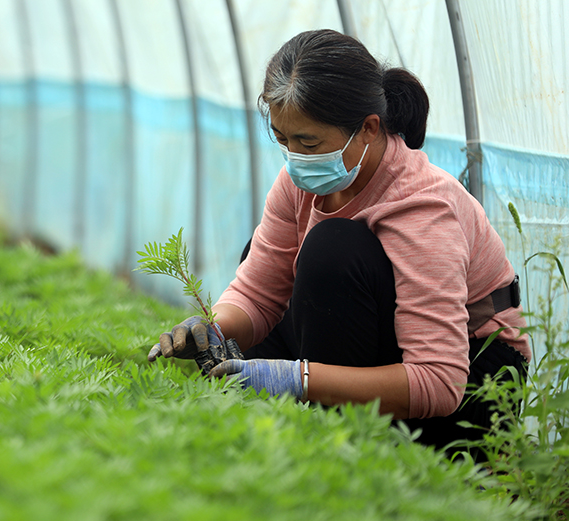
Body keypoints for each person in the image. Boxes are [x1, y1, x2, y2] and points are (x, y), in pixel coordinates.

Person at [147, 29, 530, 455]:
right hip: (389, 350)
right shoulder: (300, 182)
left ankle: (341, 445)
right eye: (282, 139)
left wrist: (299, 380)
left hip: (475, 385)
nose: (294, 157)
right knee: (264, 254)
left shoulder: (421, 206)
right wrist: (210, 328)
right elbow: (258, 290)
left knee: (331, 252)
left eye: (308, 142)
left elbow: (439, 381)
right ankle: (316, 427)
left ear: (368, 129)